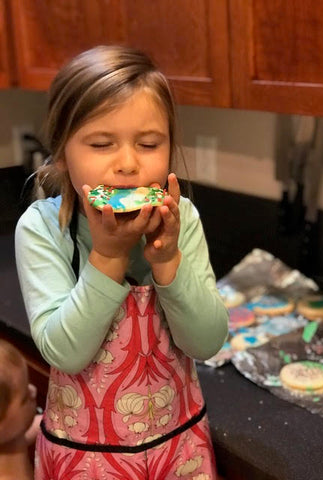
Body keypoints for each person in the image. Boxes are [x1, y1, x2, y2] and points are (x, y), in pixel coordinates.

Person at [15, 45, 228, 479]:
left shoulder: (182, 219)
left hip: (177, 448)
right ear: (62, 150)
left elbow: (207, 342)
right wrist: (108, 255)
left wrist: (168, 261)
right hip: (85, 457)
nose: (128, 164)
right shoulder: (41, 230)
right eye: (100, 144)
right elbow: (64, 352)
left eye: (149, 144)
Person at [0, 339, 42, 480]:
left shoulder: (7, 439)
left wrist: (47, 421)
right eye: (25, 397)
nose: (33, 390)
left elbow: (20, 438)